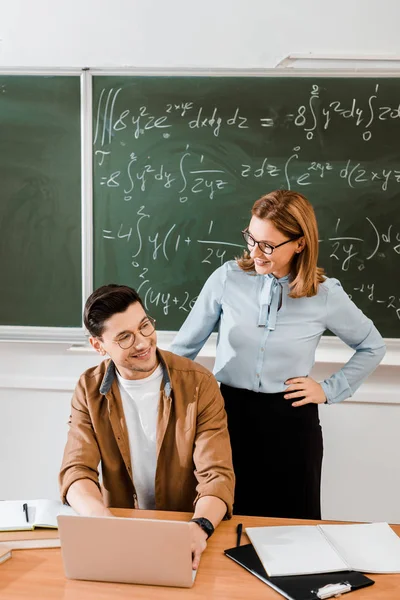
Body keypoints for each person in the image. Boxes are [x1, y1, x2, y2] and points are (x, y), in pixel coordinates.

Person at [170, 189, 386, 520]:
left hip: (291, 424)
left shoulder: (325, 294)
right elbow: (184, 350)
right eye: (251, 238)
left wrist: (327, 390)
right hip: (226, 416)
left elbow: (373, 346)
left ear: (300, 243)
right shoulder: (227, 278)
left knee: (294, 528)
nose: (255, 252)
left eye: (268, 245)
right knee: (223, 519)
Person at [59, 284, 234, 569]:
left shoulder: (198, 384)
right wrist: (100, 520)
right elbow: (76, 469)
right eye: (125, 338)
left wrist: (199, 526)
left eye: (144, 327)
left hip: (186, 529)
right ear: (98, 346)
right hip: (122, 531)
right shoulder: (88, 388)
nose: (142, 343)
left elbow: (217, 475)